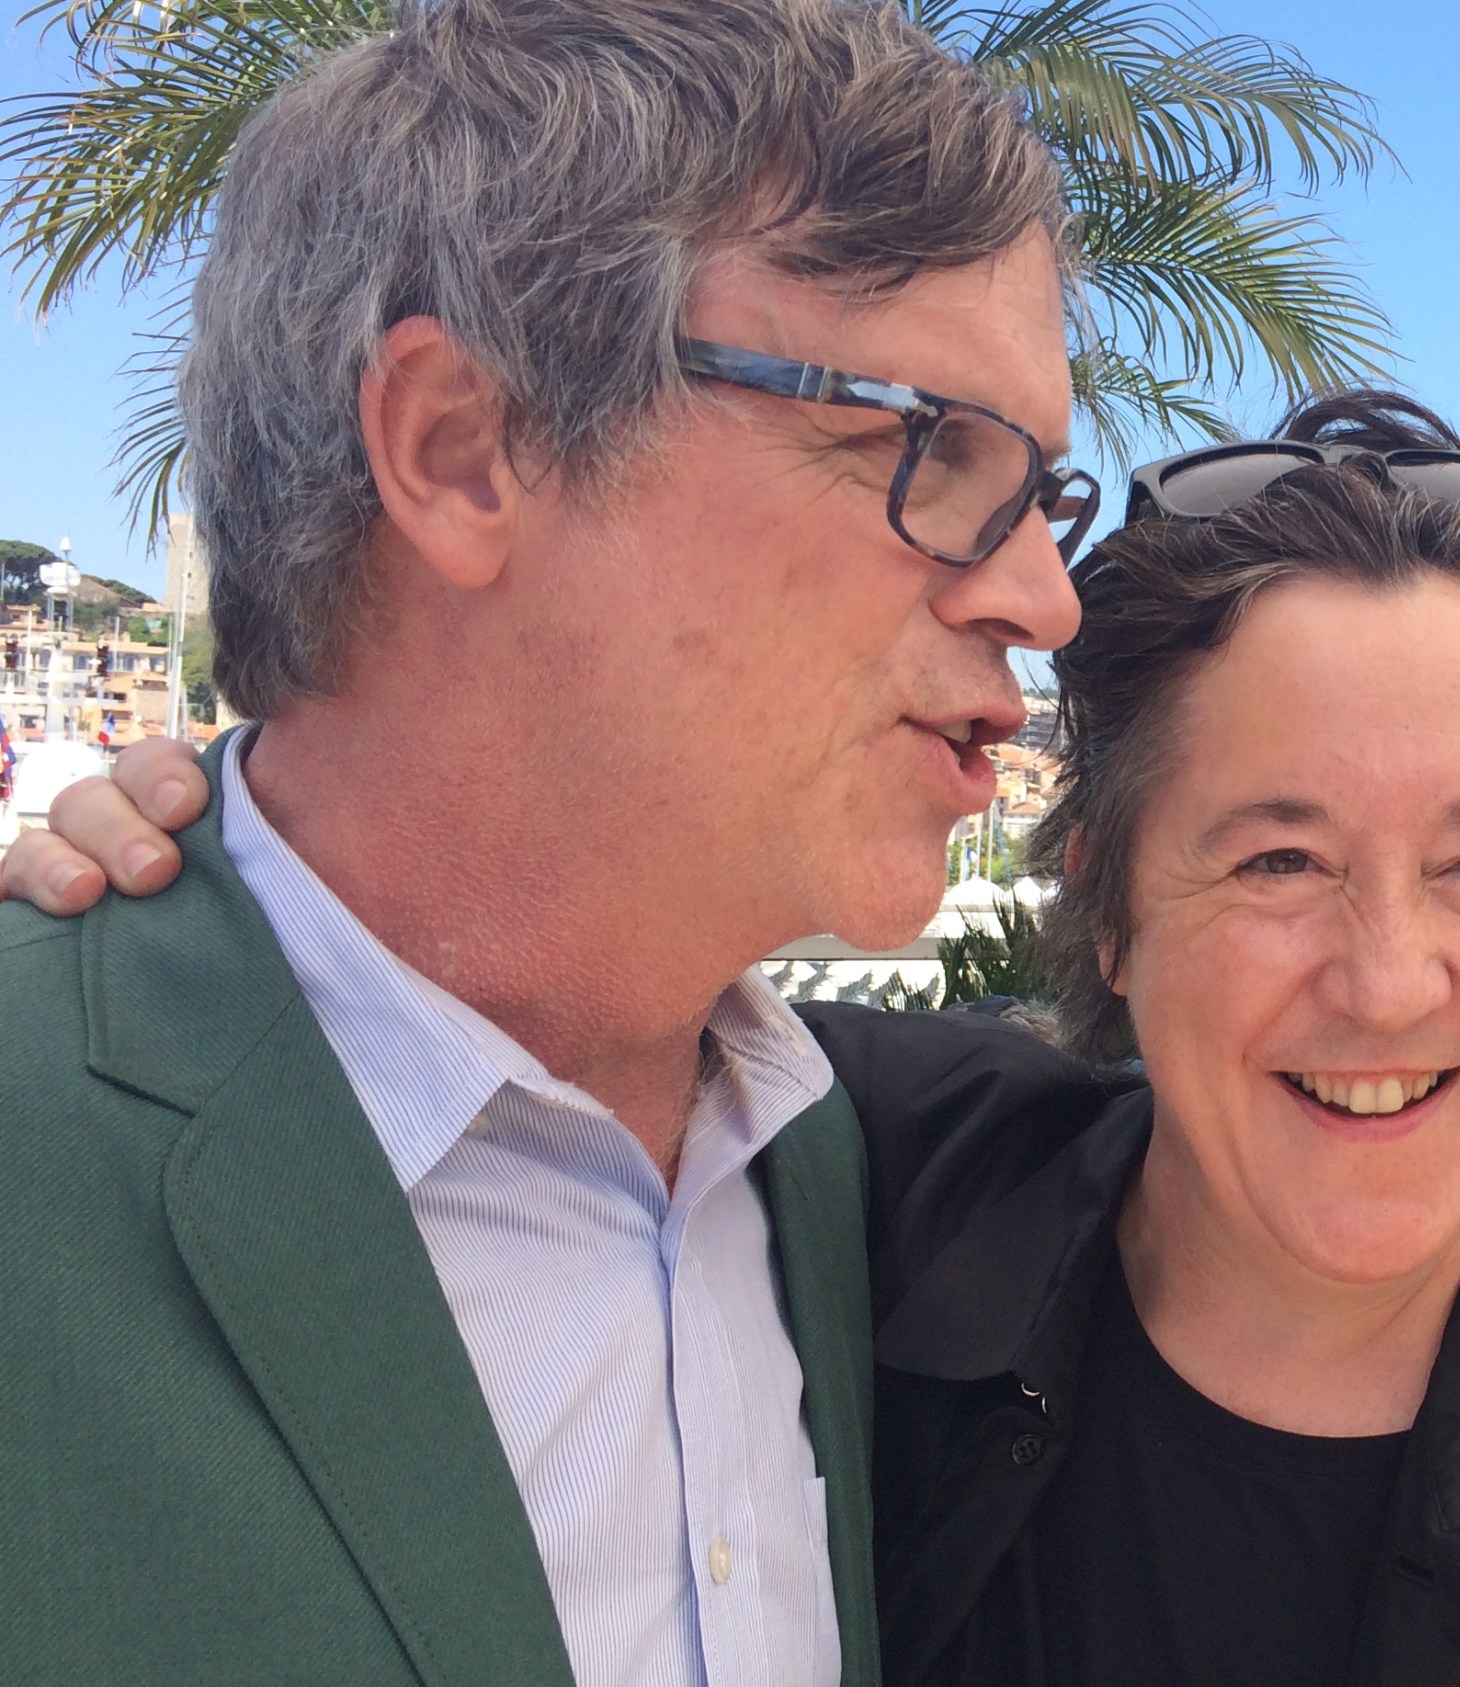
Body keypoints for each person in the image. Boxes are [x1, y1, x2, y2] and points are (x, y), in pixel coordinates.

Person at [9, 449, 1460, 1683]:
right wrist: (216, 869)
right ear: (1109, 913)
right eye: (1276, 857)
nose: (1387, 982)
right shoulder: (829, 1170)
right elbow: (459, 975)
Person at [0, 4, 1078, 1680]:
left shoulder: (840, 1170)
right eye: (931, 447)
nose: (1040, 596)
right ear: (462, 447)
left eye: (1040, 493)